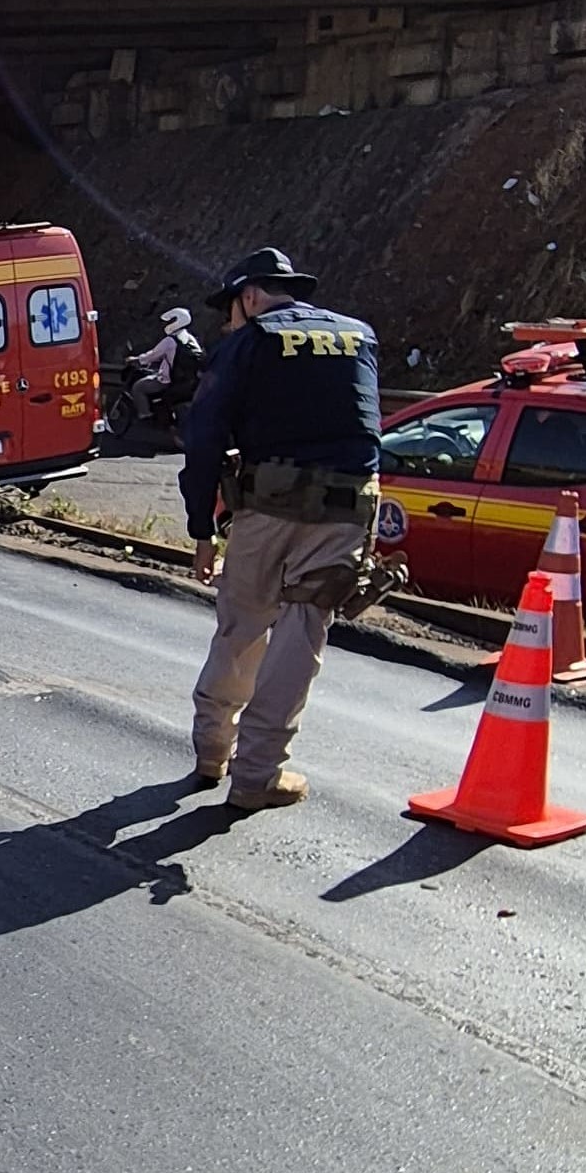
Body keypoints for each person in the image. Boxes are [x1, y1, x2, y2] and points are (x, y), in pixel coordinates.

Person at [178, 247, 382, 812]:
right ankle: (257, 777)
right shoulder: (359, 336)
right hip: (344, 512)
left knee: (242, 626)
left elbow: (203, 440)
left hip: (265, 506)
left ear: (248, 296)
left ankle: (212, 751)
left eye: (230, 309)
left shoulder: (247, 342)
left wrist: (203, 530)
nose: (228, 321)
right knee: (300, 637)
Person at [129, 306, 203, 420]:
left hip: (168, 381)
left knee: (138, 387)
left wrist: (136, 359)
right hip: (187, 381)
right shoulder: (190, 339)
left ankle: (145, 414)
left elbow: (152, 356)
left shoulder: (170, 341)